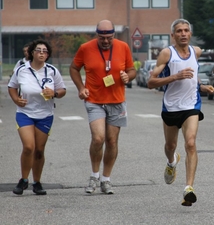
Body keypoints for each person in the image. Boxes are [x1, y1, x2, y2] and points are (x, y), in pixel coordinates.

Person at [147, 18, 214, 207]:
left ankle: (188, 189)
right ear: (173, 35)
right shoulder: (166, 54)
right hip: (171, 107)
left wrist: (203, 86)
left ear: (190, 34)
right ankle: (171, 161)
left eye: (186, 30)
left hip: (191, 105)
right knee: (171, 145)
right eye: (179, 31)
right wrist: (175, 76)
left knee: (191, 143)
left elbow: (192, 76)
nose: (183, 34)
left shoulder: (196, 51)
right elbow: (151, 82)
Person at [69, 20, 136, 195]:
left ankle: (106, 179)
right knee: (98, 138)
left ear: (114, 35)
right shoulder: (85, 48)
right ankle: (94, 175)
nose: (106, 41)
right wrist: (81, 88)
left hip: (117, 100)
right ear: (96, 35)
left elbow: (132, 70)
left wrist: (127, 77)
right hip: (94, 100)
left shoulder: (123, 47)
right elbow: (74, 68)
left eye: (109, 38)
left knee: (112, 141)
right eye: (102, 38)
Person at [8, 39, 66, 195]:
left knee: (39, 150)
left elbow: (62, 90)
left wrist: (53, 93)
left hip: (45, 114)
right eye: (39, 50)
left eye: (45, 51)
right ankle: (23, 180)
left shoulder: (52, 71)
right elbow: (12, 87)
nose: (42, 53)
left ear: (48, 55)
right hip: (25, 113)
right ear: (32, 53)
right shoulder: (22, 70)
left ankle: (37, 182)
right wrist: (16, 100)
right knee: (29, 147)